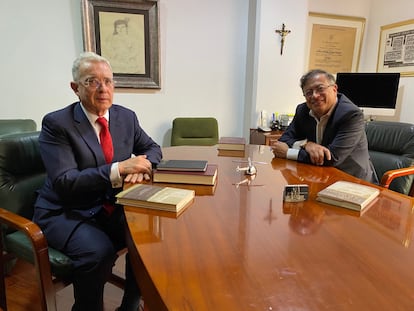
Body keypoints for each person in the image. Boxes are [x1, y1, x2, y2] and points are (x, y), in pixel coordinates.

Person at [33, 51, 162, 311]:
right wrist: (119, 169)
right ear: (75, 88)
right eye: (92, 81)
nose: (103, 88)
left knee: (145, 235)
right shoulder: (57, 124)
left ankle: (130, 304)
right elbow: (65, 182)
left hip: (108, 205)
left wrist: (143, 165)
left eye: (108, 81)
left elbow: (153, 148)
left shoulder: (126, 117)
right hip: (65, 210)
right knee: (98, 253)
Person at [272, 69, 378, 183]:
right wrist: (306, 144)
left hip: (352, 180)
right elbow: (284, 140)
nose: (315, 96)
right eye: (309, 92)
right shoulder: (303, 110)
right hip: (319, 176)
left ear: (334, 89)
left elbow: (331, 158)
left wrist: (289, 153)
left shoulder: (351, 115)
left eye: (320, 89)